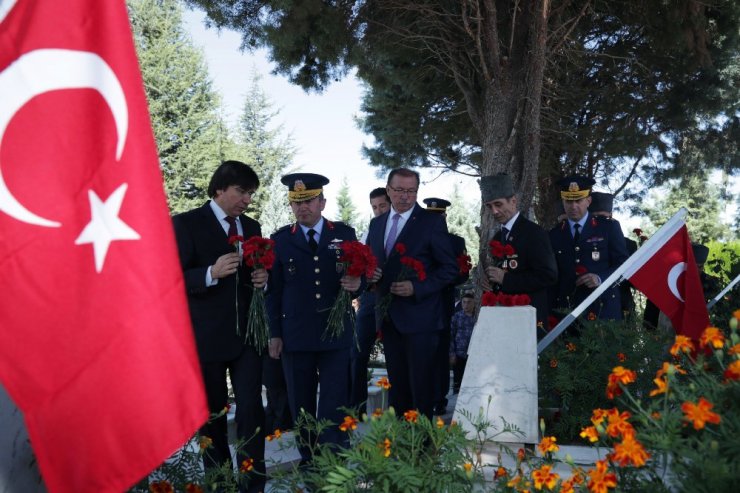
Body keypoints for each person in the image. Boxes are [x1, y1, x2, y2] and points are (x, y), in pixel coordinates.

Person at [172, 160, 268, 493]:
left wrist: (263, 279)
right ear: (219, 189)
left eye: (251, 194)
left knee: (252, 411)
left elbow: (260, 276)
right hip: (206, 339)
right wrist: (209, 273)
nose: (247, 200)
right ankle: (221, 484)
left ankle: (254, 484)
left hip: (247, 339)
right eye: (242, 191)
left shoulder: (252, 227)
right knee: (211, 418)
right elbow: (170, 278)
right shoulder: (186, 224)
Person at [266, 173, 361, 462]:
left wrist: (359, 284)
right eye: (296, 203)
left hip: (335, 335)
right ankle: (310, 464)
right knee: (301, 405)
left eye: (308, 201)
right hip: (296, 335)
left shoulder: (343, 235)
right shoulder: (281, 240)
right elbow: (274, 292)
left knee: (334, 403)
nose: (302, 208)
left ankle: (335, 463)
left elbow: (361, 274)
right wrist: (274, 333)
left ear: (322, 202)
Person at [365, 168, 458, 419]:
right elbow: (369, 263)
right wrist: (369, 275)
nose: (405, 196)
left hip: (421, 319)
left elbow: (450, 269)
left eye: (411, 191)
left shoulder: (431, 222)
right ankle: (401, 446)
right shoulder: (377, 224)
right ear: (388, 190)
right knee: (399, 389)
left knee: (421, 389)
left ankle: (422, 448)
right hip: (388, 318)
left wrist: (417, 287)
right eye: (399, 190)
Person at [481, 173, 558, 334]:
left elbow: (548, 275)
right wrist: (491, 282)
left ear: (513, 201)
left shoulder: (534, 233)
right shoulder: (498, 237)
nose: (494, 211)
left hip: (529, 317)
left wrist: (505, 279)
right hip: (504, 316)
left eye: (498, 204)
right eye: (489, 206)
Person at [549, 176, 628, 321]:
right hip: (568, 312)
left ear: (588, 201)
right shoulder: (554, 234)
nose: (573, 207)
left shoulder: (608, 228)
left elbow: (624, 265)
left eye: (578, 200)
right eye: (569, 201)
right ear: (563, 202)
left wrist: (600, 278)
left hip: (602, 310)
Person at [422, 197, 469, 416]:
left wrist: (443, 280)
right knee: (422, 353)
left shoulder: (456, 242)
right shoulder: (416, 238)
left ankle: (439, 398)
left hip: (443, 301)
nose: (435, 220)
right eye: (430, 216)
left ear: (445, 217)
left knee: (441, 352)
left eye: (438, 216)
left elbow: (462, 273)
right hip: (419, 303)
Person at [350, 187, 391, 410]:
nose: (378, 211)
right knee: (357, 353)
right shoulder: (370, 231)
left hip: (394, 300)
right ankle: (356, 408)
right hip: (369, 299)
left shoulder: (400, 229)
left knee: (396, 356)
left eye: (382, 205)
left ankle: (398, 410)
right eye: (374, 207)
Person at [588, 191, 638, 318]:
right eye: (595, 217)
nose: (600, 222)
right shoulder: (583, 240)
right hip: (591, 302)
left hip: (621, 302)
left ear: (611, 216)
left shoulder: (629, 245)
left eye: (604, 218)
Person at [449, 292, 476, 393]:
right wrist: (451, 354)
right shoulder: (456, 317)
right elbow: (451, 336)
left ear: (474, 303)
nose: (466, 305)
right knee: (458, 383)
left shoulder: (478, 317)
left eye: (469, 302)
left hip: (473, 354)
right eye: (464, 302)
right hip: (459, 354)